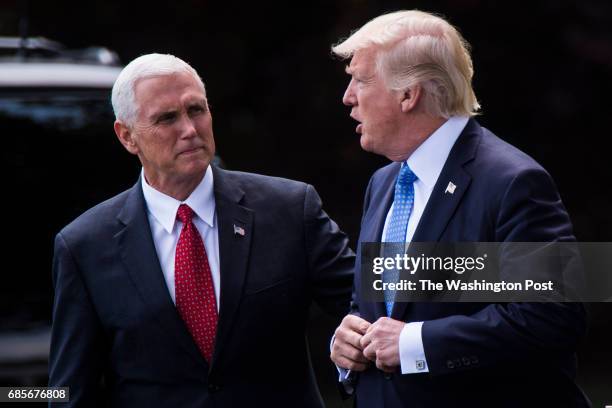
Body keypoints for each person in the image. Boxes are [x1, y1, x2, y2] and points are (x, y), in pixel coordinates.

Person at [48, 53, 354, 407]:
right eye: (167, 118)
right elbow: (70, 390)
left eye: (196, 110)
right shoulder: (84, 245)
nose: (190, 130)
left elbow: (377, 297)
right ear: (127, 136)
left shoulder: (289, 208)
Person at [329, 10, 590, 407]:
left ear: (408, 95)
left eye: (361, 80)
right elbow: (376, 306)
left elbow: (553, 317)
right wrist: (347, 340)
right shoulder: (383, 183)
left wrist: (416, 343)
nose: (348, 96)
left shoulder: (512, 181)